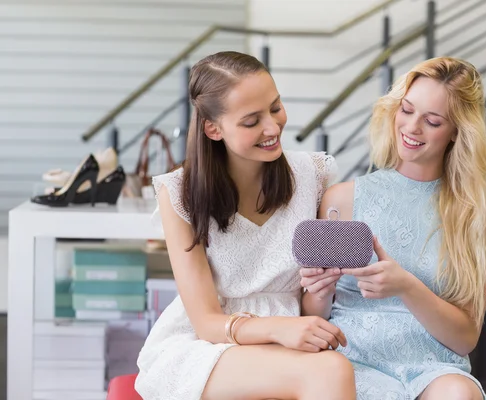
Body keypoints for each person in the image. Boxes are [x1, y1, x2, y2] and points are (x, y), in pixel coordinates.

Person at [135, 51, 356, 400]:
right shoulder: (179, 193)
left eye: (275, 107)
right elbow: (206, 321)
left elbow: (314, 301)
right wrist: (281, 330)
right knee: (331, 370)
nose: (272, 127)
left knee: (331, 368)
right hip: (207, 344)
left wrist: (322, 288)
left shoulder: (316, 176)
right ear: (213, 128)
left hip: (296, 335)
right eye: (252, 121)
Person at [300, 56, 486, 400]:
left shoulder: (476, 216)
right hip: (353, 358)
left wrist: (406, 286)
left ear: (456, 132)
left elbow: (466, 337)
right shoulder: (342, 199)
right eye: (406, 110)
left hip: (433, 366)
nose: (411, 128)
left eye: (432, 121)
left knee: (458, 394)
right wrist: (319, 290)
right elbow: (313, 314)